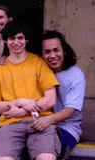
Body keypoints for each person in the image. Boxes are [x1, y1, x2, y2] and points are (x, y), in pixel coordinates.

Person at [0, 21, 61, 160]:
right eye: (12, 38)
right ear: (5, 40)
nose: (16, 42)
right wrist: (21, 101)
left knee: (46, 158)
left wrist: (22, 110)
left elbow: (50, 99)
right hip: (10, 124)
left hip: (40, 121)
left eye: (20, 38)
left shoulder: (38, 63)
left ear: (26, 39)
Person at [32, 30, 85, 160]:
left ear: (64, 51)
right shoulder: (39, 71)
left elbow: (70, 110)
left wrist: (48, 120)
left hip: (67, 128)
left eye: (56, 50)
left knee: (49, 152)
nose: (53, 55)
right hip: (40, 124)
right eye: (47, 52)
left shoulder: (75, 75)